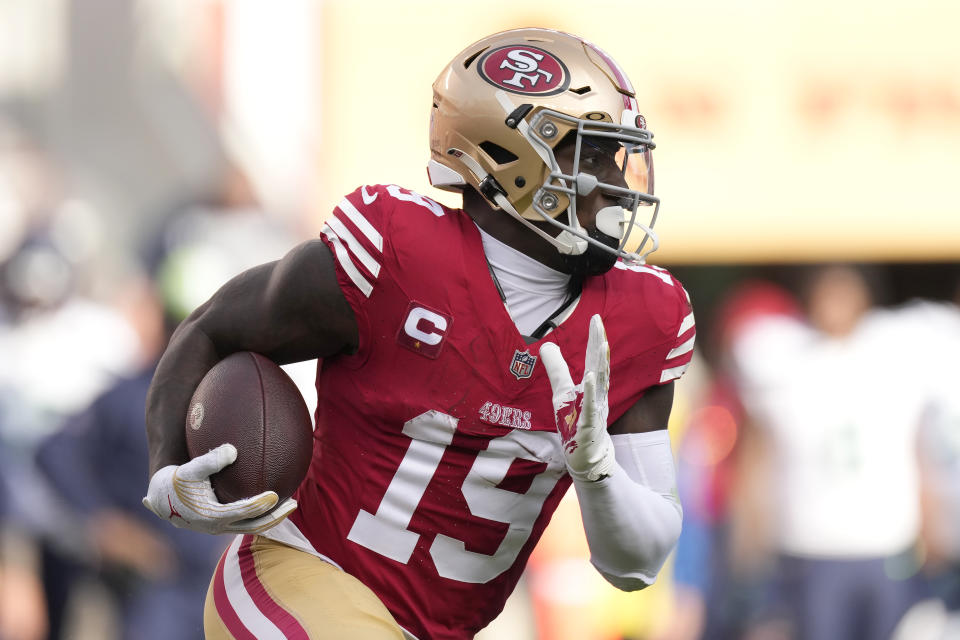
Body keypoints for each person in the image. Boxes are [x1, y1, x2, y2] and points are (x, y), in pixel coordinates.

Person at [141, 28, 695, 640]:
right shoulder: (394, 256)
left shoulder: (642, 314)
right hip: (300, 577)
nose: (615, 183)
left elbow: (637, 565)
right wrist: (167, 466)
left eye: (616, 157)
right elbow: (211, 328)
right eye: (588, 155)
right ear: (506, 158)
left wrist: (597, 474)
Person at [726, 265, 935, 640]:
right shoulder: (785, 362)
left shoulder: (895, 359)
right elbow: (759, 452)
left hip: (885, 542)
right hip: (813, 547)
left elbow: (919, 448)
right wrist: (750, 531)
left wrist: (929, 524)